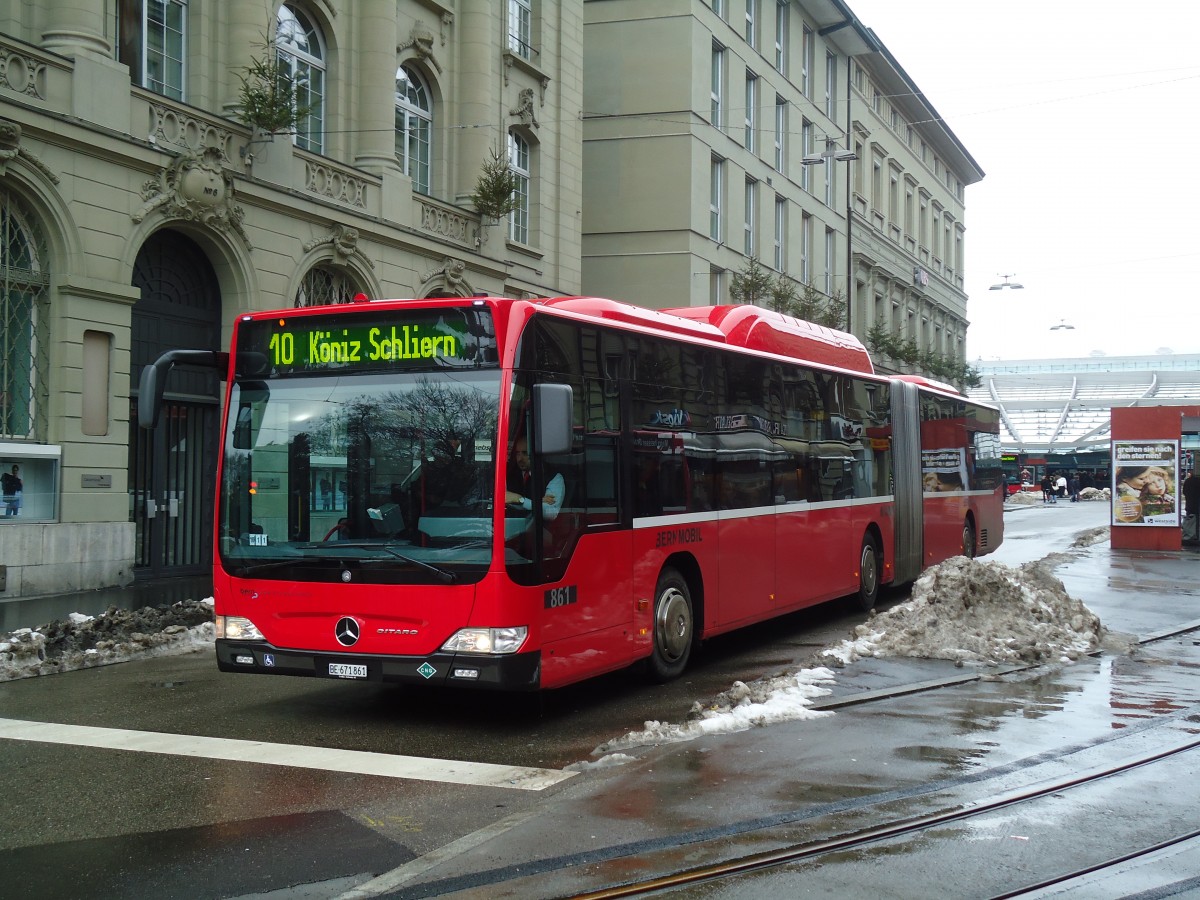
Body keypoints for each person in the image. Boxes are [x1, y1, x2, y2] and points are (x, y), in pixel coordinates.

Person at [505, 435, 563, 521]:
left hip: (541, 530)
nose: (520, 459)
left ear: (535, 453)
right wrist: (537, 502)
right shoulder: (509, 474)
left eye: (525, 453)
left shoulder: (553, 476)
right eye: (517, 453)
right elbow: (504, 501)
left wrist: (520, 500)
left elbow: (550, 513)